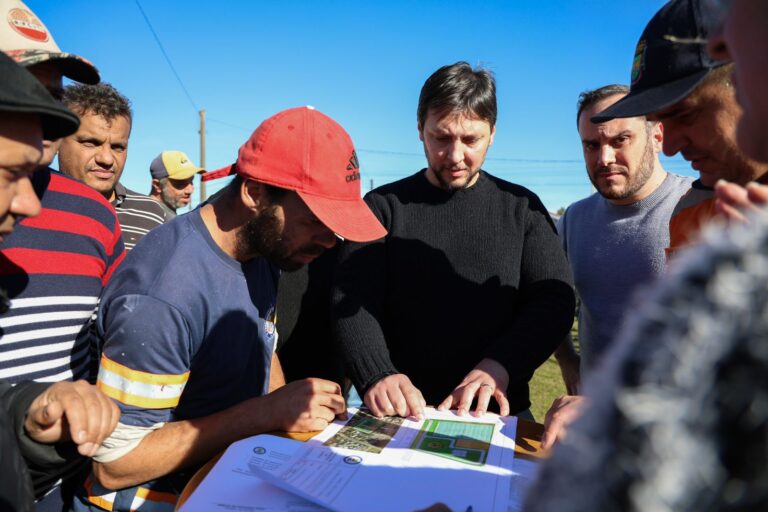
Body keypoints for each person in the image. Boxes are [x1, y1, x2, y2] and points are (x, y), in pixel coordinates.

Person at [75, 106, 387, 511]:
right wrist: (266, 412)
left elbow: (263, 336)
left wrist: (287, 405)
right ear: (255, 193)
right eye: (316, 220)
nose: (331, 240)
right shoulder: (161, 295)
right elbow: (114, 464)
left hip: (223, 481)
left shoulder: (261, 251)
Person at [332, 62, 575, 421]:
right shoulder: (382, 208)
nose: (456, 156)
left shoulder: (523, 209)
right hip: (397, 412)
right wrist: (377, 373)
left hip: (495, 414)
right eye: (441, 138)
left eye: (471, 139)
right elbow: (350, 299)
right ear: (420, 130)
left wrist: (502, 364)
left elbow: (554, 300)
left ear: (492, 133)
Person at [0, 51, 119, 512]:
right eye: (23, 87)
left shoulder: (95, 213)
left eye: (52, 96)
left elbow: (105, 332)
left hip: (59, 479)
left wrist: (35, 414)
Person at [590, 0, 768, 259]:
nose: (670, 148)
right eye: (658, 119)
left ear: (744, 77)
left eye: (685, 114)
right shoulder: (690, 212)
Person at [59, 83, 170, 250]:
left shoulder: (151, 214)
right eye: (90, 143)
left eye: (118, 147)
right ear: (56, 141)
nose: (107, 159)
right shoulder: (25, 204)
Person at [147, 150, 204, 219]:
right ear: (157, 185)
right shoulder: (149, 217)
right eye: (181, 183)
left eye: (191, 181)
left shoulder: (164, 215)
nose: (189, 190)